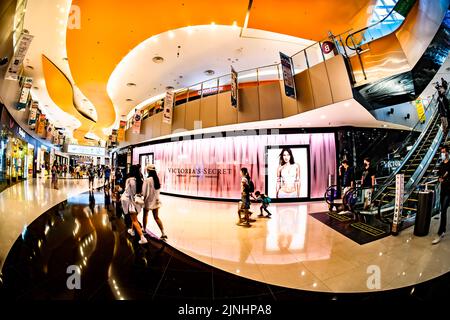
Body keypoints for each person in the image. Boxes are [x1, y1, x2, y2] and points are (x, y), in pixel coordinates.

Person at [121, 165, 147, 244]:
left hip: (131, 203)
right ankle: (132, 230)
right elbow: (142, 192)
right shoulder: (141, 180)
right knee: (134, 218)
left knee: (135, 220)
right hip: (138, 203)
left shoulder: (129, 180)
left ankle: (142, 238)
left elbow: (127, 192)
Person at [142, 164, 167, 240]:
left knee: (145, 215)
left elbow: (144, 192)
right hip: (156, 201)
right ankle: (163, 233)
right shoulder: (157, 179)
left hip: (148, 201)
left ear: (148, 170)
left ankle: (144, 230)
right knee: (156, 217)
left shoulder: (147, 180)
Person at [433, 146, 450, 244]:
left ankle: (440, 232)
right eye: (442, 152)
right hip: (443, 190)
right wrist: (440, 178)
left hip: (449, 190)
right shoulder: (441, 164)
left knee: (443, 211)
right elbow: (439, 175)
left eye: (444, 152)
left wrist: (446, 179)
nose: (443, 154)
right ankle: (442, 230)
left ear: (447, 153)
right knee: (442, 211)